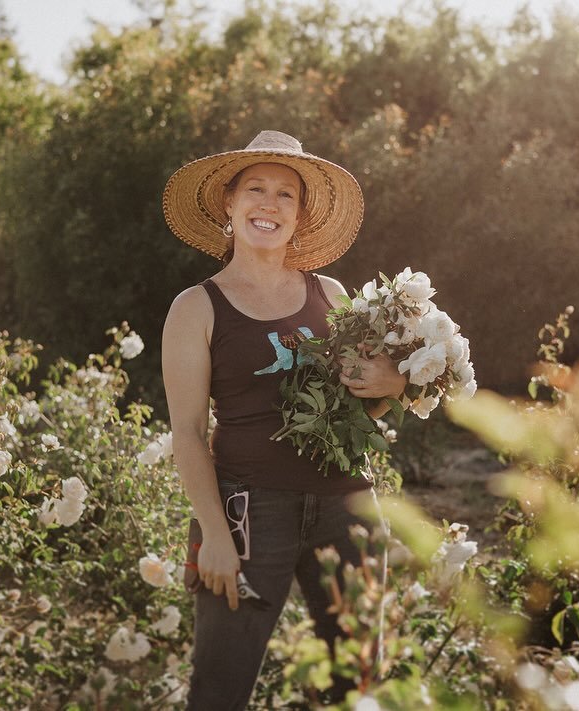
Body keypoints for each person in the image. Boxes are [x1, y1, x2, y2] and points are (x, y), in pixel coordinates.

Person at [160, 130, 407, 710]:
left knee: (362, 684)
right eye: (255, 189)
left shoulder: (331, 293)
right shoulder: (196, 307)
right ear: (229, 202)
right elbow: (189, 434)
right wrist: (214, 535)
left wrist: (394, 383)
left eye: (285, 195)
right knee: (219, 691)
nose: (268, 205)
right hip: (247, 513)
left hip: (346, 508)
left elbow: (361, 402)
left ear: (301, 214)